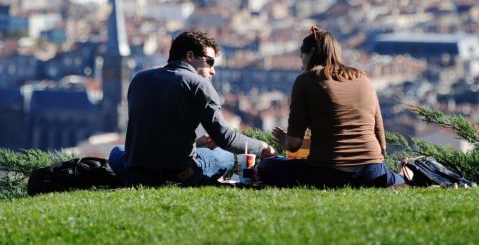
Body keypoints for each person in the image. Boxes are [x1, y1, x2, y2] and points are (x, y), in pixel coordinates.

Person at [109, 30, 276, 186]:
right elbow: (225, 139)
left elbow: (153, 134)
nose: (213, 71)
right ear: (189, 56)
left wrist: (196, 144)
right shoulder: (199, 84)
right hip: (177, 174)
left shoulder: (139, 79)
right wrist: (263, 147)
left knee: (117, 151)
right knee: (226, 156)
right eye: (209, 62)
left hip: (135, 173)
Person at [256, 26, 404, 189]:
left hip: (328, 173)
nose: (301, 65)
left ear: (311, 52)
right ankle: (401, 177)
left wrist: (284, 140)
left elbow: (293, 145)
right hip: (372, 173)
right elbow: (381, 140)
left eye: (301, 57)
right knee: (396, 177)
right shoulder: (364, 80)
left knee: (266, 167)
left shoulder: (305, 81)